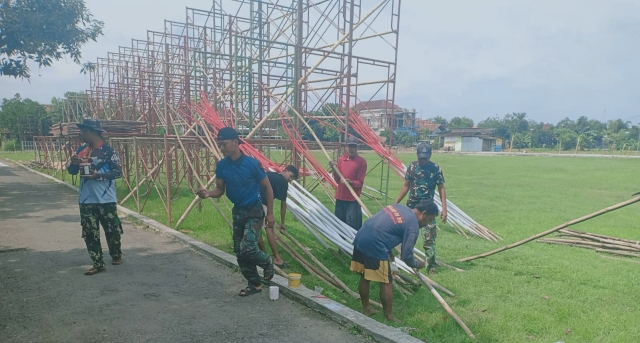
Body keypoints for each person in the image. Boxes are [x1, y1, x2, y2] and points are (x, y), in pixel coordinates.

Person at [197, 127, 276, 296]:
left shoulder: (252, 164)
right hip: (238, 211)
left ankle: (267, 261)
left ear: (235, 142)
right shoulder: (222, 165)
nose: (222, 148)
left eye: (224, 144)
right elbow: (220, 189)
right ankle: (254, 284)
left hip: (254, 209)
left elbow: (268, 188)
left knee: (247, 247)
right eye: (220, 145)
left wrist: (270, 213)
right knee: (240, 252)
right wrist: (207, 193)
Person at [351, 200, 438, 323]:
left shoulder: (397, 207)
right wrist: (418, 264)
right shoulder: (412, 225)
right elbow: (407, 256)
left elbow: (386, 228)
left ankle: (366, 309)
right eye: (429, 219)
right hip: (375, 244)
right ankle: (388, 316)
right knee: (386, 281)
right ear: (423, 213)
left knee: (365, 276)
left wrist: (389, 250)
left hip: (361, 236)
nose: (427, 224)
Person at [67, 119, 124, 275]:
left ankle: (116, 254)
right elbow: (72, 172)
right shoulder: (81, 150)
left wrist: (97, 175)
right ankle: (97, 262)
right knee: (90, 232)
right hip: (86, 200)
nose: (81, 134)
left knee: (112, 230)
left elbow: (118, 172)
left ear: (92, 132)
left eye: (83, 131)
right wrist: (73, 163)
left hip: (106, 199)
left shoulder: (108, 151)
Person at [395, 142, 447, 274]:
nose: (423, 160)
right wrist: (396, 202)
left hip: (428, 210)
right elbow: (406, 185)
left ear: (430, 155)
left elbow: (441, 188)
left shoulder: (436, 168)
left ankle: (431, 266)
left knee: (429, 238)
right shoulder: (412, 166)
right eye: (420, 157)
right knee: (405, 235)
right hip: (411, 208)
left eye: (425, 157)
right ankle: (404, 262)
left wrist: (444, 209)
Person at [257, 165, 299, 268]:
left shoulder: (270, 174)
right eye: (291, 176)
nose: (290, 179)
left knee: (257, 230)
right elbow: (283, 204)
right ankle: (277, 258)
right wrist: (283, 223)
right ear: (286, 171)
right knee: (269, 228)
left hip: (251, 199)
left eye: (292, 179)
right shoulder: (283, 182)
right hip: (261, 203)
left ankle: (264, 256)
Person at [329, 136, 367, 231]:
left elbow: (360, 182)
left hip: (352, 200)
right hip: (340, 198)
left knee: (353, 228)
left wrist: (351, 183)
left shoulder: (361, 162)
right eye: (350, 146)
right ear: (346, 147)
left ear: (357, 147)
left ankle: (354, 246)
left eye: (354, 147)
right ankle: (341, 246)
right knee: (339, 227)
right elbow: (337, 180)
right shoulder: (341, 160)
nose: (352, 149)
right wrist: (334, 169)